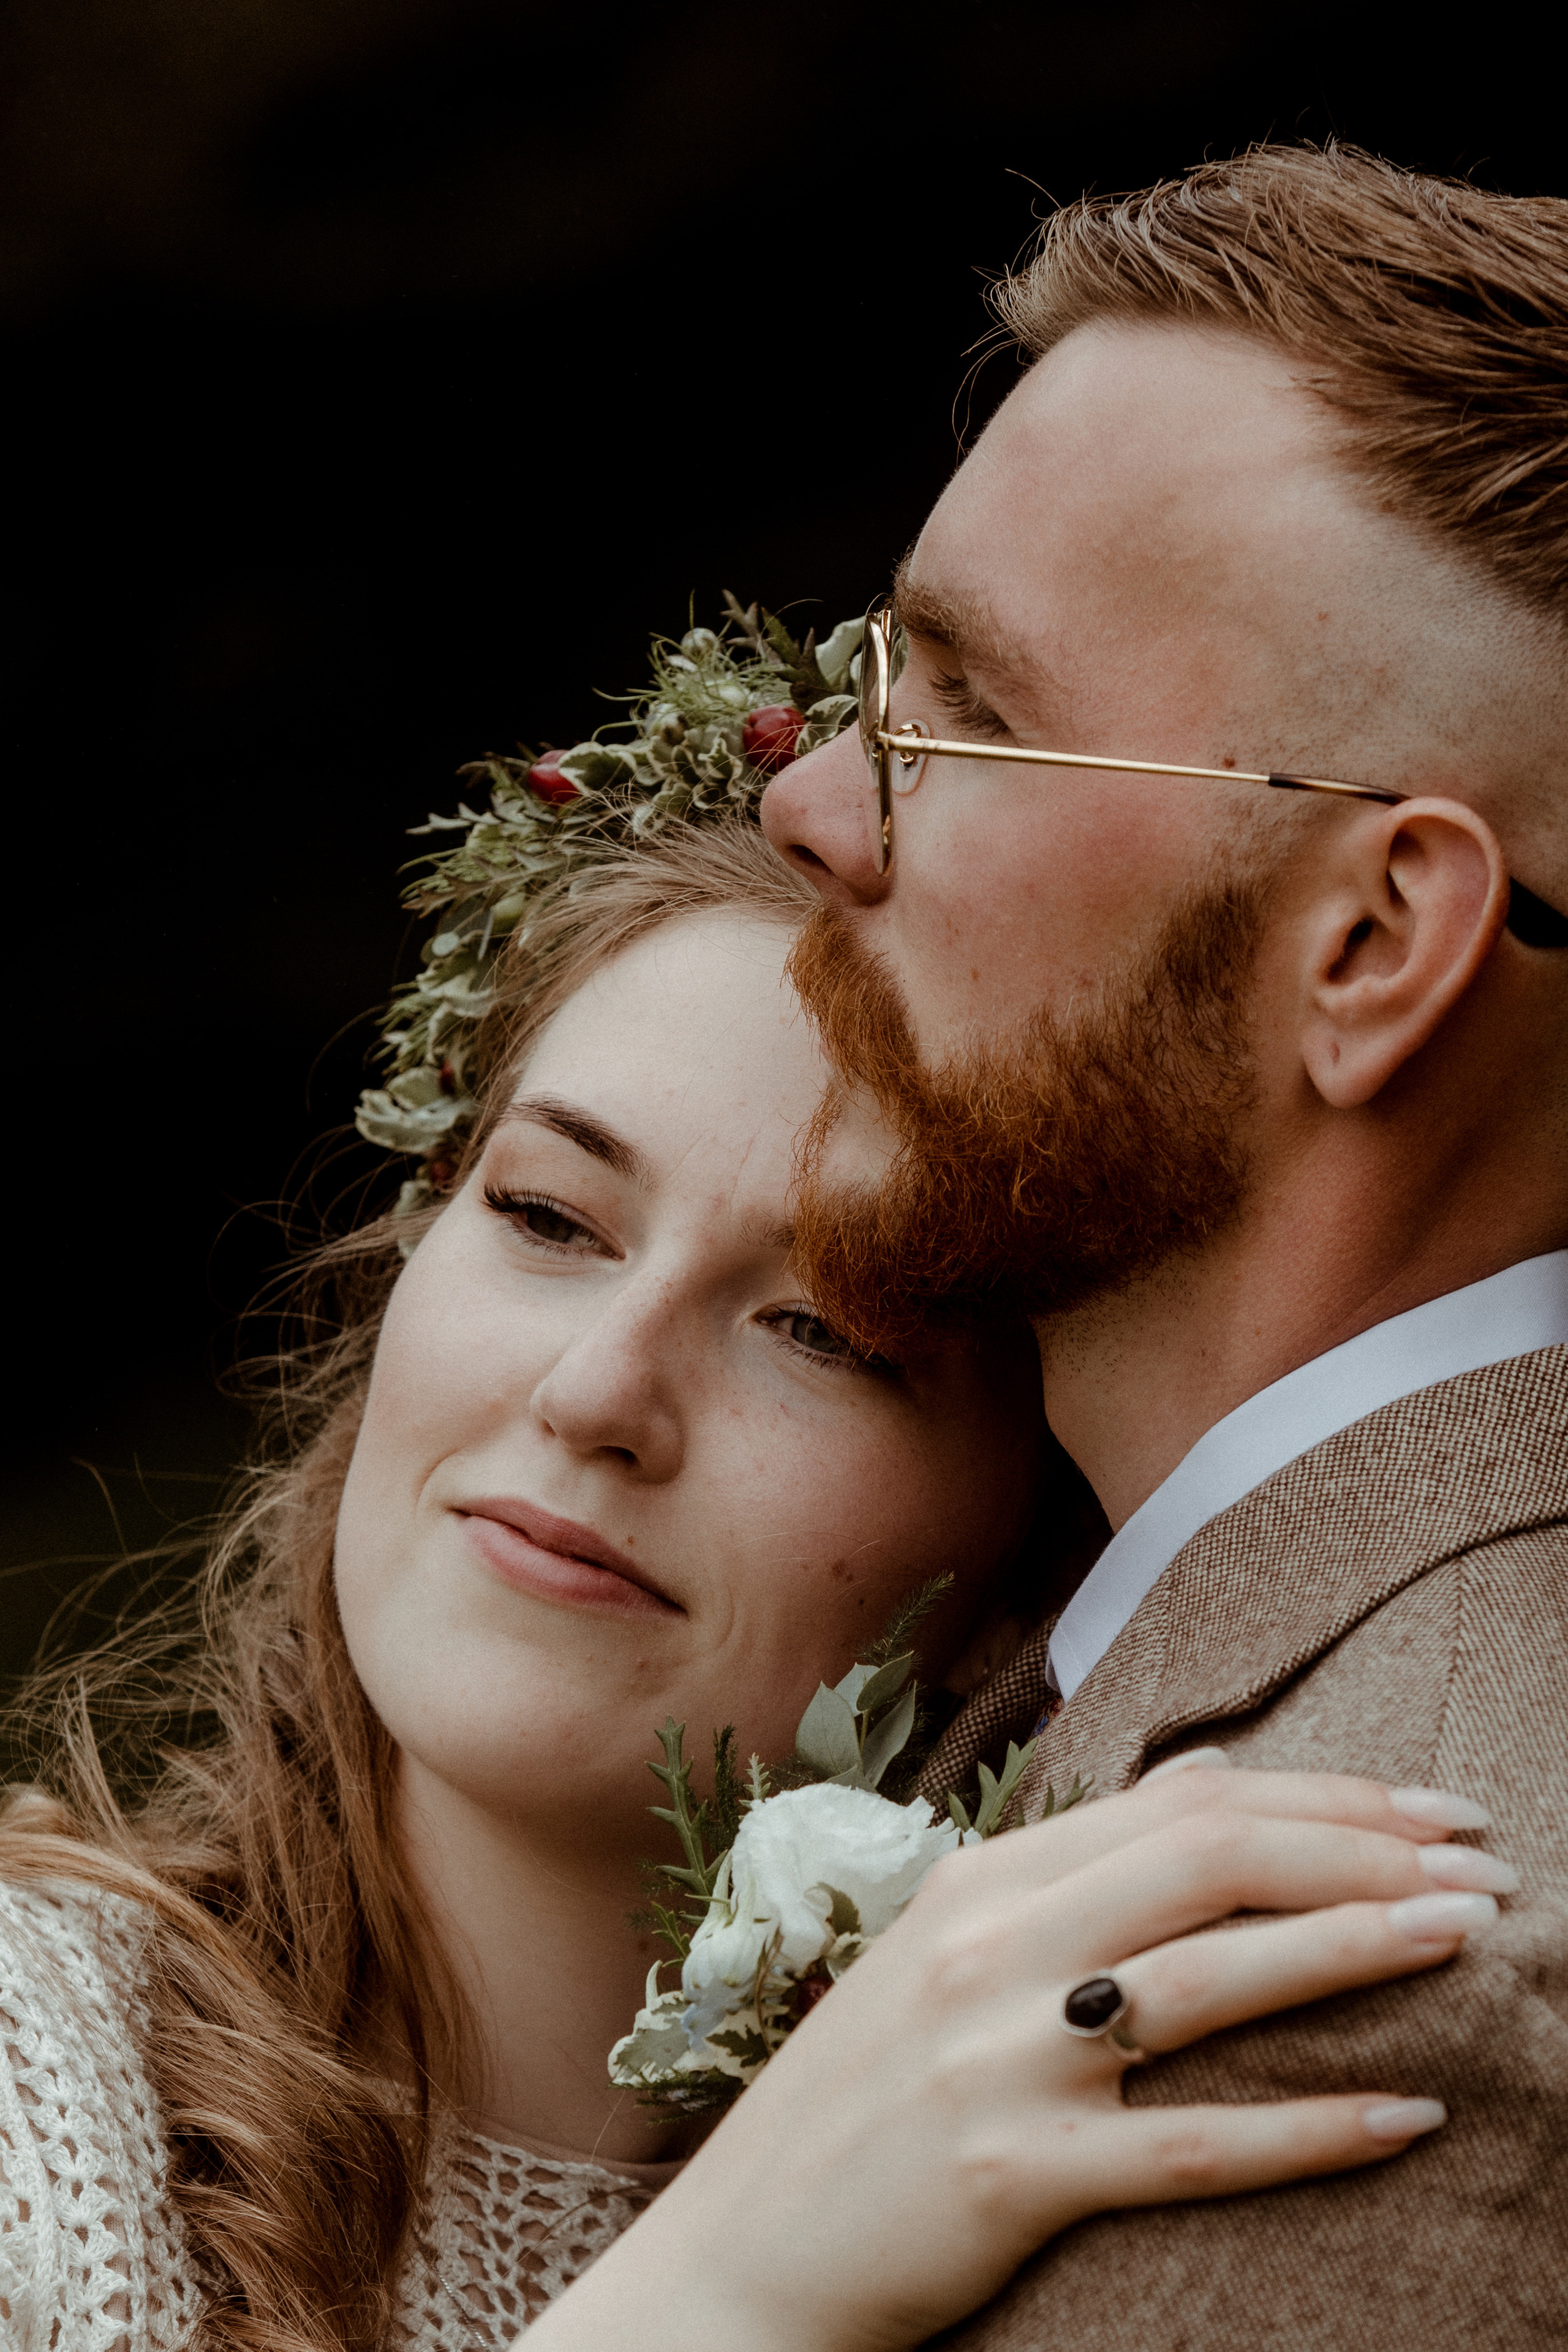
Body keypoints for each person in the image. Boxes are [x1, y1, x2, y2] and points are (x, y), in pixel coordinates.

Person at [0, 821, 1498, 2352]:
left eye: (820, 1332)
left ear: (1031, 1558)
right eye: (545, 1217)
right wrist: (722, 2292)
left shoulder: (1094, 2240)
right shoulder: (23, 2091)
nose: (596, 1392)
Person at [759, 143, 1568, 2346]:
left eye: (960, 718)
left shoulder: (1363, 1987)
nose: (812, 808)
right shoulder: (1089, 1652)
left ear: (1378, 942)